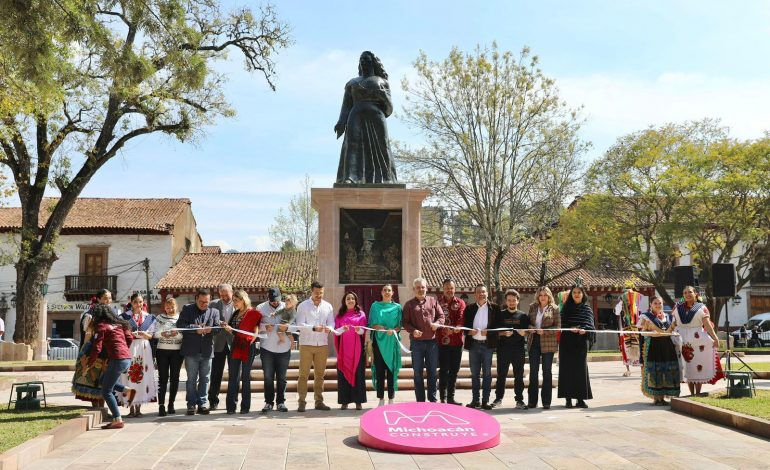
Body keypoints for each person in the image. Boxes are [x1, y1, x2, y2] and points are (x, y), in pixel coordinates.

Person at [334, 50, 398, 184]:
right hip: (356, 115)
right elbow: (346, 105)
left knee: (382, 145)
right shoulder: (352, 83)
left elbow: (389, 110)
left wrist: (384, 96)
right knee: (352, 144)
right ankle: (351, 177)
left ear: (373, 63)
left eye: (367, 60)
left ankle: (386, 178)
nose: (363, 62)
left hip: (376, 116)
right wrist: (341, 121)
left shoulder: (382, 82)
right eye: (361, 59)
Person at [89, 304, 135, 429]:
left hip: (117, 359)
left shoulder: (101, 326)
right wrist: (123, 349)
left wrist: (90, 362)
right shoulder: (120, 324)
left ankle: (117, 419)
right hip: (126, 358)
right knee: (103, 380)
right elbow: (130, 338)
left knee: (106, 391)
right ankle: (127, 390)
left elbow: (97, 347)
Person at [671, 285, 723, 395]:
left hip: (698, 340)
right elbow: (673, 323)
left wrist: (715, 337)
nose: (687, 294)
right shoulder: (677, 307)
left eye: (690, 292)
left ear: (695, 293)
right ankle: (691, 393)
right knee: (686, 365)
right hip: (681, 339)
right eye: (685, 293)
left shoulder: (701, 307)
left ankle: (698, 393)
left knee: (698, 364)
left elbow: (707, 325)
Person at [177, 288, 221, 415]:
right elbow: (180, 326)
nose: (204, 305)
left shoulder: (214, 312)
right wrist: (194, 328)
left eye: (206, 302)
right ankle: (191, 404)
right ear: (196, 298)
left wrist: (210, 330)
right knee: (191, 379)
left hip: (207, 351)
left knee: (205, 379)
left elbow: (217, 329)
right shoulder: (187, 309)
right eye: (201, 302)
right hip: (191, 351)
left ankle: (202, 403)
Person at [295, 281, 335, 412]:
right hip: (306, 344)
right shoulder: (303, 306)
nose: (319, 295)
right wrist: (313, 328)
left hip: (322, 344)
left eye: (321, 293)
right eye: (317, 293)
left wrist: (329, 328)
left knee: (320, 375)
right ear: (311, 291)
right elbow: (300, 324)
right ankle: (301, 401)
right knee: (303, 374)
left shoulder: (328, 306)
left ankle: (319, 401)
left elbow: (331, 323)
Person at [403, 277, 445, 402]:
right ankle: (420, 401)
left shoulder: (433, 301)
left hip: (432, 343)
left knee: (432, 373)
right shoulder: (409, 304)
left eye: (423, 287)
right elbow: (405, 322)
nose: (420, 289)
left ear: (426, 288)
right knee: (418, 373)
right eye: (418, 287)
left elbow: (441, 316)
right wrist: (412, 330)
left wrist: (437, 323)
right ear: (413, 289)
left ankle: (432, 399)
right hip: (417, 344)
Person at [71, 288, 114, 407]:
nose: (108, 300)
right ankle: (96, 409)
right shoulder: (91, 315)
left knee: (104, 381)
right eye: (105, 298)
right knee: (92, 380)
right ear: (99, 299)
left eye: (110, 298)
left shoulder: (112, 314)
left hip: (107, 351)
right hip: (93, 350)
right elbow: (87, 335)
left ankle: (103, 409)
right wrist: (85, 354)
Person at [222, 290, 262, 414]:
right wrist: (225, 326)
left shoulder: (253, 313)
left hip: (247, 347)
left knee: (245, 377)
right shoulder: (236, 313)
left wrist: (251, 340)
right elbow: (232, 328)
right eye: (233, 301)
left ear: (243, 300)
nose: (234, 303)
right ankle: (231, 406)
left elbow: (255, 330)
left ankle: (245, 407)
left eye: (236, 300)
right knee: (233, 376)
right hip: (235, 346)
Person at [558, 282, 596, 408]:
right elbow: (561, 323)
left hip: (580, 342)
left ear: (582, 294)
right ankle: (568, 399)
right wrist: (570, 328)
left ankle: (580, 399)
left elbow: (590, 324)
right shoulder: (566, 307)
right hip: (567, 341)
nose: (576, 295)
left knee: (580, 370)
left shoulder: (587, 308)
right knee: (566, 369)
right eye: (574, 292)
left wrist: (584, 329)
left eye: (579, 292)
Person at [119, 293, 157, 417]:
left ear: (143, 302)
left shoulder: (149, 317)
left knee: (142, 376)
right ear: (131, 302)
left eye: (140, 302)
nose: (138, 304)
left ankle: (139, 408)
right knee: (130, 375)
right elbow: (120, 334)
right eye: (135, 302)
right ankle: (130, 408)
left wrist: (145, 335)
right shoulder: (124, 317)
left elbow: (152, 335)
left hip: (144, 348)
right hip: (130, 346)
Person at [463, 284, 500, 410]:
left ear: (487, 293)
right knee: (474, 374)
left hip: (487, 346)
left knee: (487, 374)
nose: (481, 294)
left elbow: (499, 327)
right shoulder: (469, 309)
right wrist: (469, 332)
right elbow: (464, 326)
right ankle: (475, 400)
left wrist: (489, 332)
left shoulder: (494, 308)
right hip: (473, 344)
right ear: (475, 294)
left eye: (483, 292)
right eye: (479, 292)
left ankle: (485, 400)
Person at [492, 289, 529, 410]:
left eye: (514, 300)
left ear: (518, 301)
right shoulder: (500, 315)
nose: (512, 302)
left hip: (518, 350)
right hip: (503, 349)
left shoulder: (523, 316)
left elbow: (527, 332)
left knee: (518, 375)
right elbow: (495, 332)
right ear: (506, 301)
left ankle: (519, 400)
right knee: (501, 375)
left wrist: (525, 334)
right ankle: (498, 399)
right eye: (509, 300)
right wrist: (503, 334)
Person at [640, 296, 681, 405]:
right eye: (655, 303)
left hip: (667, 346)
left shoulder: (669, 317)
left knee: (667, 369)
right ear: (651, 305)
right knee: (655, 369)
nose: (658, 305)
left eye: (660, 303)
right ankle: (656, 397)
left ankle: (663, 396)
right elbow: (642, 332)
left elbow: (672, 330)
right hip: (654, 345)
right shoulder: (646, 317)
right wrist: (651, 333)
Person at [147, 295, 183, 416]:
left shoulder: (181, 318)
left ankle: (171, 404)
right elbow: (154, 334)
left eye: (172, 307)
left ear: (176, 307)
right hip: (162, 351)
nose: (170, 310)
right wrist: (162, 334)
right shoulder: (159, 318)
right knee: (162, 379)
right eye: (167, 308)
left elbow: (184, 335)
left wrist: (176, 334)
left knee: (175, 378)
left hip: (177, 352)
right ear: (165, 308)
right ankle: (161, 405)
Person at [257, 287, 290, 413]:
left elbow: (296, 325)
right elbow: (256, 325)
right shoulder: (260, 308)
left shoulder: (288, 307)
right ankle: (268, 402)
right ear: (268, 298)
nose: (275, 303)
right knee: (268, 377)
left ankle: (281, 402)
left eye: (277, 300)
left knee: (282, 377)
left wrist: (286, 327)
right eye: (272, 300)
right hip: (267, 348)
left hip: (284, 347)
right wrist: (265, 327)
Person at [527, 286, 561, 409]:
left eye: (545, 295)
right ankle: (532, 401)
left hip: (548, 343)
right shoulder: (532, 307)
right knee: (533, 372)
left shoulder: (555, 308)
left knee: (547, 372)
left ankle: (546, 402)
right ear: (537, 296)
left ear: (549, 296)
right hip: (533, 341)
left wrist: (545, 331)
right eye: (540, 295)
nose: (542, 297)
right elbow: (527, 323)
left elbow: (558, 327)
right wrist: (532, 329)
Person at [368, 284, 402, 406]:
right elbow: (371, 323)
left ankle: (391, 398)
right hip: (379, 342)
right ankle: (381, 399)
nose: (387, 292)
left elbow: (400, 325)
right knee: (380, 371)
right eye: (385, 290)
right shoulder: (375, 306)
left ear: (393, 293)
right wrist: (377, 327)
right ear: (381, 292)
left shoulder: (398, 307)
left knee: (391, 370)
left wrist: (393, 330)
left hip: (392, 341)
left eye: (389, 290)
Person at [334, 292, 368, 410]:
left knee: (358, 375)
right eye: (348, 298)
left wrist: (359, 330)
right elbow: (336, 332)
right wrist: (342, 329)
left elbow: (363, 332)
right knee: (343, 375)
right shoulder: (339, 316)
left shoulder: (361, 314)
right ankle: (344, 401)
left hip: (356, 350)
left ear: (356, 301)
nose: (350, 300)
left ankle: (358, 401)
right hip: (344, 350)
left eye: (352, 298)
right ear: (344, 301)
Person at [436, 278, 465, 405]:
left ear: (455, 289)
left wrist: (454, 330)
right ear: (443, 289)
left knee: (454, 370)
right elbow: (434, 317)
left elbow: (461, 318)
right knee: (443, 370)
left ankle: (451, 398)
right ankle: (443, 397)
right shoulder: (437, 302)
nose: (449, 290)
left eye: (451, 288)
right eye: (447, 288)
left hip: (456, 342)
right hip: (441, 343)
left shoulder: (460, 302)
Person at [208, 283, 234, 411]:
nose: (224, 297)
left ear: (232, 293)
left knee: (234, 374)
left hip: (234, 343)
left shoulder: (239, 304)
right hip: (218, 343)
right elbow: (209, 320)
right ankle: (213, 400)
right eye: (222, 295)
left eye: (226, 295)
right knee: (216, 374)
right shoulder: (213, 304)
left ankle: (233, 400)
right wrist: (218, 323)